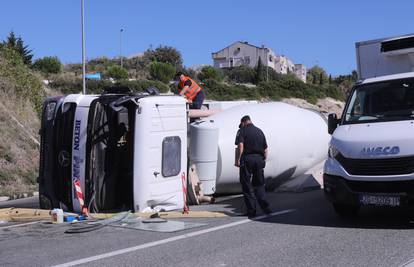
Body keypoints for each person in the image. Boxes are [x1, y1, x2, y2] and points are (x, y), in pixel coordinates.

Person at [235, 115, 271, 218]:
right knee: (259, 184)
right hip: (259, 160)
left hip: (247, 159)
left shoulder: (242, 131)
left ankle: (252, 211)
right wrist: (263, 159)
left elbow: (240, 145)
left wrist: (238, 159)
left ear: (243, 122)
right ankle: (265, 208)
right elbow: (265, 149)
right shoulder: (259, 131)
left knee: (246, 185)